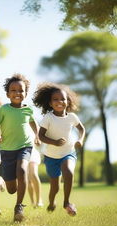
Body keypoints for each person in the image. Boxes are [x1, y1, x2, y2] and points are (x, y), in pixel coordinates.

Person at [0, 73, 39, 222]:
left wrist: (37, 135)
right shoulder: (4, 109)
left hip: (25, 146)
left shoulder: (28, 109)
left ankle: (19, 207)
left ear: (25, 93)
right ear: (7, 93)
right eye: (13, 90)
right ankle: (3, 182)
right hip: (6, 150)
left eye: (21, 90)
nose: (17, 93)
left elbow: (33, 122)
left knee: (23, 170)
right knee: (11, 188)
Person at [33, 82, 85, 216]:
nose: (59, 101)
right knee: (54, 187)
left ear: (67, 101)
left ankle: (67, 202)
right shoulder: (48, 118)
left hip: (68, 152)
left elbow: (81, 129)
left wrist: (80, 140)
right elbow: (41, 135)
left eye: (62, 99)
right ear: (50, 103)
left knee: (68, 172)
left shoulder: (72, 117)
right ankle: (51, 202)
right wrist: (54, 142)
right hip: (51, 157)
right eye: (55, 99)